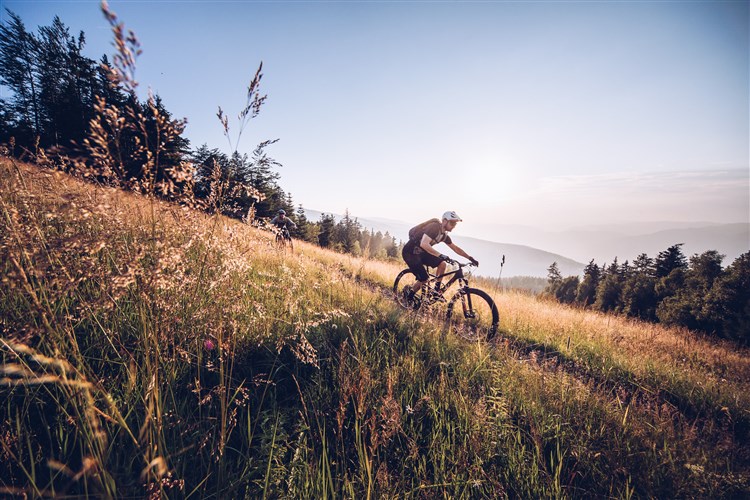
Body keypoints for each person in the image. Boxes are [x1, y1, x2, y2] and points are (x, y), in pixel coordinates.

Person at [402, 211, 478, 303]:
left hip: (421, 253)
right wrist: (440, 255)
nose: (454, 225)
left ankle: (436, 292)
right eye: (452, 223)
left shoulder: (443, 235)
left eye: (455, 224)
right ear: (445, 221)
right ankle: (408, 297)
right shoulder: (434, 227)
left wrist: (470, 258)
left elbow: (456, 248)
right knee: (424, 279)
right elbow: (424, 243)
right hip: (410, 253)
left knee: (442, 264)